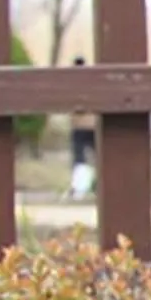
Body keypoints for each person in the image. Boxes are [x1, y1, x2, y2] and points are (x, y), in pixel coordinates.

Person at [67, 57, 97, 200]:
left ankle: (80, 188)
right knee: (97, 158)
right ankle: (92, 186)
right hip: (93, 126)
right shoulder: (91, 83)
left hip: (79, 127)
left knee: (80, 158)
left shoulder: (72, 84)